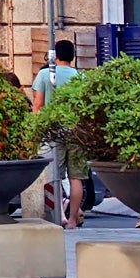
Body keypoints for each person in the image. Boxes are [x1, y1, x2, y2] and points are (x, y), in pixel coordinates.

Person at [32, 38, 85, 228]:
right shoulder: (80, 77)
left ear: (55, 55)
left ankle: (60, 215)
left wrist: (37, 128)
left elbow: (37, 104)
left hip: (52, 131)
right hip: (75, 130)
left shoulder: (45, 74)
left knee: (55, 175)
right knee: (76, 177)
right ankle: (72, 221)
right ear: (73, 56)